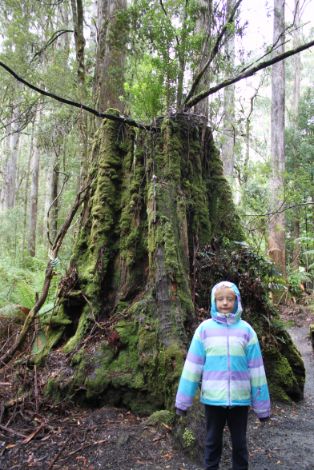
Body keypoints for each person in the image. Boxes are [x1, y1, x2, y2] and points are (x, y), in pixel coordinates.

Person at [175, 280, 271, 470]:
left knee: (240, 444)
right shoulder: (204, 330)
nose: (225, 303)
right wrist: (182, 402)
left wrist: (262, 408)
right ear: (213, 301)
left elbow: (257, 371)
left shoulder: (246, 331)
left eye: (229, 299)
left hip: (239, 401)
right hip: (213, 400)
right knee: (212, 443)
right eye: (220, 299)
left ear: (237, 300)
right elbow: (192, 367)